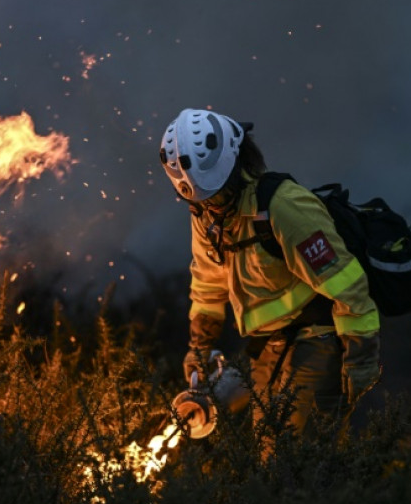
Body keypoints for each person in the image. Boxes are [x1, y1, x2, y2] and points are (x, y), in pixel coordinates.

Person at [158, 108, 381, 440]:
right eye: (204, 200)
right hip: (266, 348)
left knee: (299, 453)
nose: (211, 206)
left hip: (316, 339)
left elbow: (348, 286)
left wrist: (361, 356)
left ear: (234, 167)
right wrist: (199, 348)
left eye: (217, 194)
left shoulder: (284, 206)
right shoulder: (206, 215)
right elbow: (207, 284)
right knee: (270, 453)